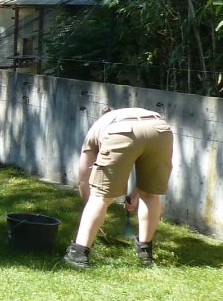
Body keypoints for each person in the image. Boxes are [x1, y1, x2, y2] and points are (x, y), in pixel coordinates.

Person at [64, 106, 173, 269]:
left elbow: (84, 180)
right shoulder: (133, 113)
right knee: (150, 194)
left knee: (100, 196)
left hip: (122, 131)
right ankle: (145, 252)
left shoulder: (99, 127)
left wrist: (92, 212)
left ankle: (78, 254)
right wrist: (134, 196)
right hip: (160, 129)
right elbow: (145, 184)